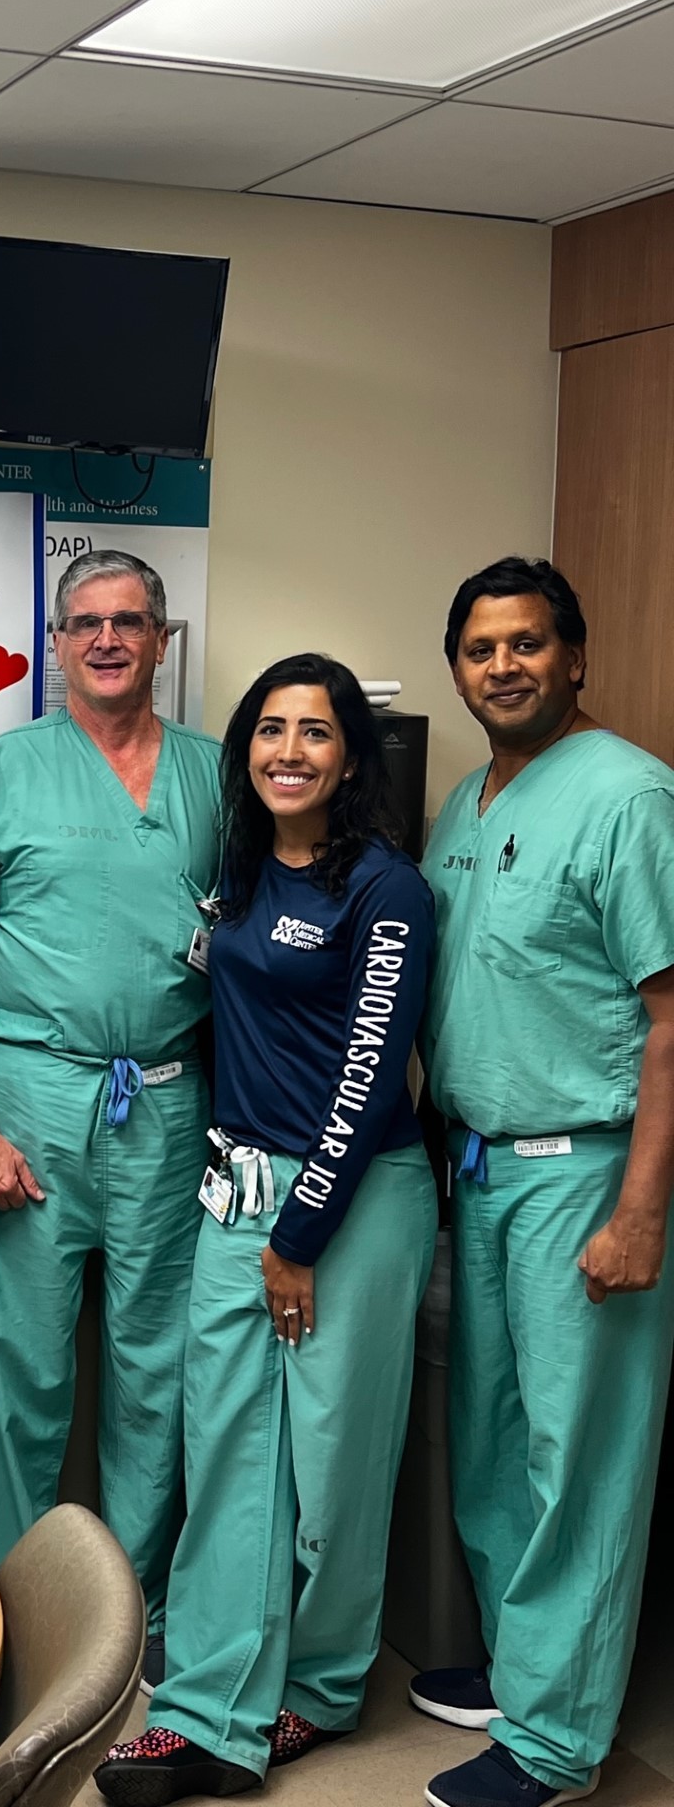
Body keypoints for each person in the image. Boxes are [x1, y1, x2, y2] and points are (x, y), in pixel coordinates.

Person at [94, 653, 437, 1804]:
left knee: (334, 1459)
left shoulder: (385, 889)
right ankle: (204, 1709)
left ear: (351, 757)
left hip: (357, 1199)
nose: (290, 751)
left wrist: (302, 1233)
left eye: (317, 733)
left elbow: (369, 1073)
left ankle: (326, 1685)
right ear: (245, 749)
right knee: (230, 1447)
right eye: (271, 730)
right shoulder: (237, 873)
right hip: (237, 1188)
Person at [0, 549, 221, 1671]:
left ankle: (125, 1615)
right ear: (57, 641)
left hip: (173, 1097)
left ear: (161, 640)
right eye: (85, 622)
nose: (107, 640)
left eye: (130, 621)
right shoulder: (5, 771)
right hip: (33, 1093)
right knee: (24, 1366)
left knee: (157, 1366)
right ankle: (15, 1609)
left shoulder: (216, 774)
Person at [412, 558, 674, 1807]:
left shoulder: (632, 797)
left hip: (586, 1169)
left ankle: (560, 1743)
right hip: (479, 1170)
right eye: (480, 648)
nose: (502, 666)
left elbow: (672, 1017)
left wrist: (640, 1210)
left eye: (527, 645)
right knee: (496, 1445)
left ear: (575, 658)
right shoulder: (466, 802)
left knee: (581, 1458)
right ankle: (529, 1669)